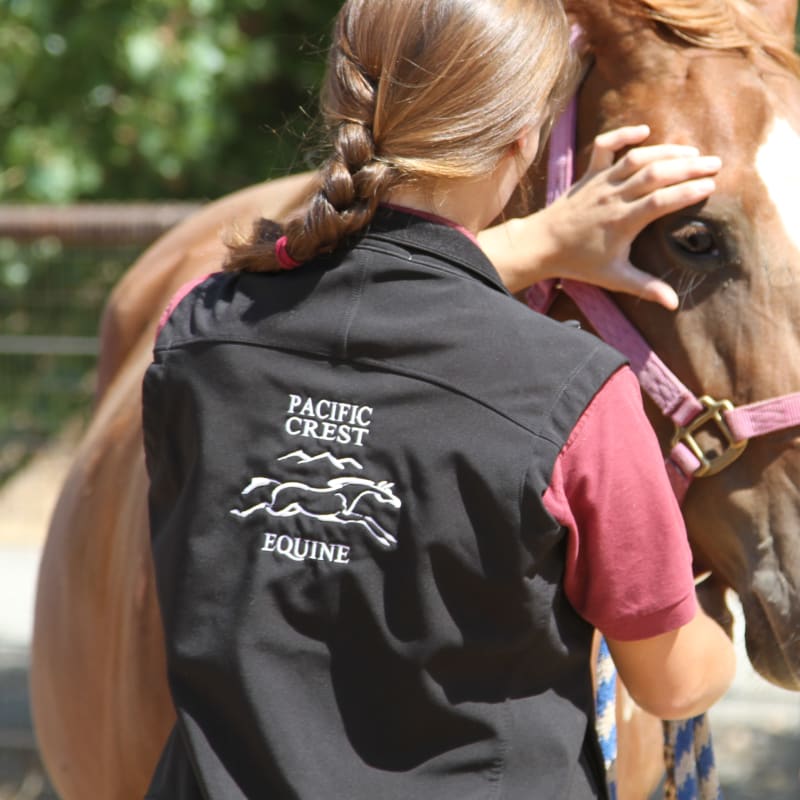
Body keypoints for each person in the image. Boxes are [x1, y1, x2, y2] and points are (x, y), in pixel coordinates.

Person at [142, 1, 735, 798]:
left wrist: (534, 244)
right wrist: (710, 619)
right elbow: (669, 685)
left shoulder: (197, 332)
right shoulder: (578, 397)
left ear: (344, 105)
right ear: (525, 138)